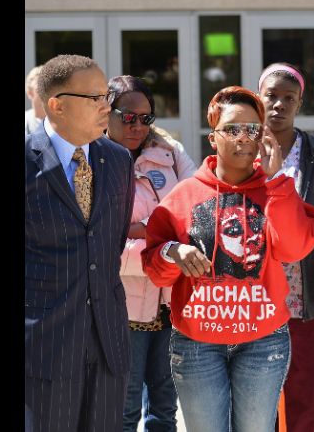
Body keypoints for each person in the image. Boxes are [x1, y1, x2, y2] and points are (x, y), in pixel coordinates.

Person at [141, 86, 314, 432]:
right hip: (197, 345)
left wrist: (276, 180)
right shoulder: (185, 196)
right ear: (213, 138)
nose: (243, 137)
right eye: (232, 129)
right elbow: (157, 270)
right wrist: (172, 251)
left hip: (263, 341)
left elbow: (295, 248)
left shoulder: (276, 190)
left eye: (252, 129)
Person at [25, 54, 135, 432]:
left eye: (108, 96)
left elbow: (111, 243)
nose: (108, 107)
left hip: (108, 344)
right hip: (44, 348)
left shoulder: (119, 161)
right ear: (56, 104)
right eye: (95, 98)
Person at [106, 75, 198, 432]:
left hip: (169, 304)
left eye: (146, 118)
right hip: (121, 308)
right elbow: (96, 245)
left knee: (163, 408)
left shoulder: (170, 154)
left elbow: (194, 214)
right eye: (128, 117)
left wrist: (134, 231)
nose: (138, 126)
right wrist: (160, 246)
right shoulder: (91, 161)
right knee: (124, 411)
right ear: (106, 113)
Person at [257, 63, 314, 432]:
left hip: (306, 292)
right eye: (271, 96)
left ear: (300, 103)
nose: (278, 105)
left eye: (288, 98)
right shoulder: (242, 147)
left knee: (303, 392)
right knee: (256, 396)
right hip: (254, 293)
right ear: (258, 98)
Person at [25, 65, 45, 135]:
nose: (46, 90)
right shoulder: (26, 121)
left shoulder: (64, 121)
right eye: (40, 86)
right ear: (29, 93)